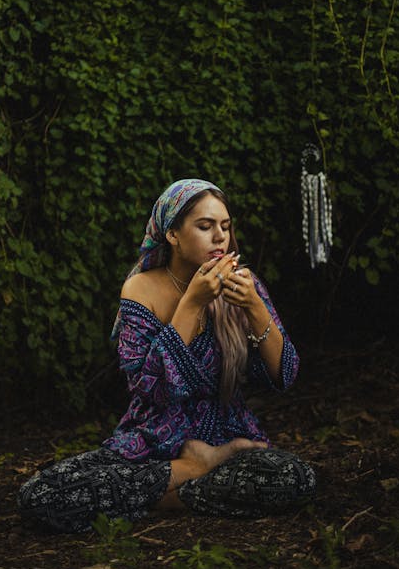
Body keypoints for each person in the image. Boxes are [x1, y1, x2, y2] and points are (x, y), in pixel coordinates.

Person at [18, 178, 315, 532]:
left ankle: (167, 490)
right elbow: (151, 391)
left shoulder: (243, 285)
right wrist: (192, 303)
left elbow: (283, 375)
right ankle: (193, 474)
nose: (220, 236)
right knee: (41, 495)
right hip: (152, 445)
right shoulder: (141, 288)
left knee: (294, 477)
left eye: (225, 226)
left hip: (226, 437)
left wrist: (254, 306)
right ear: (172, 235)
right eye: (204, 226)